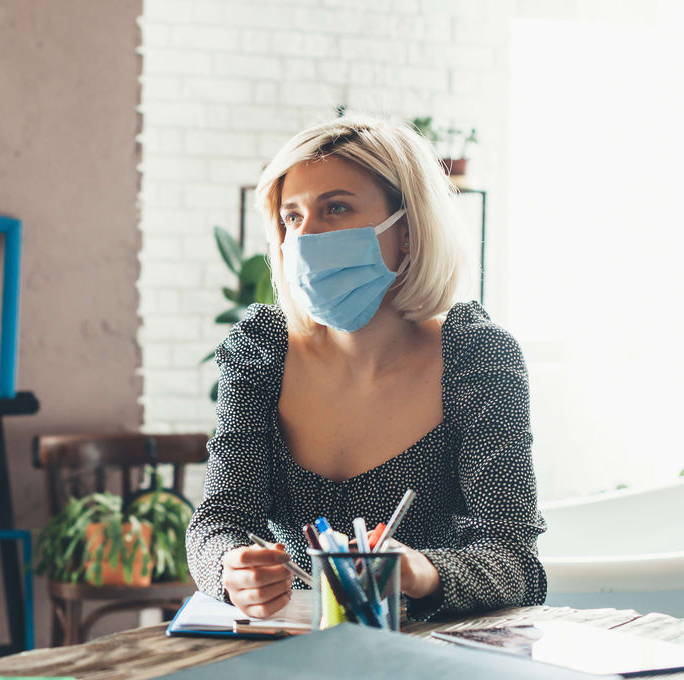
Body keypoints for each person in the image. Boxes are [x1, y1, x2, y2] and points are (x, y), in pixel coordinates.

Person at [185, 115, 547, 622]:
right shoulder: (260, 353)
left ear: (408, 228)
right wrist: (230, 566)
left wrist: (421, 571)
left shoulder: (478, 360)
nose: (306, 237)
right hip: (291, 650)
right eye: (291, 217)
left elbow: (519, 563)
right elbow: (219, 519)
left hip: (430, 659)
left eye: (336, 208)